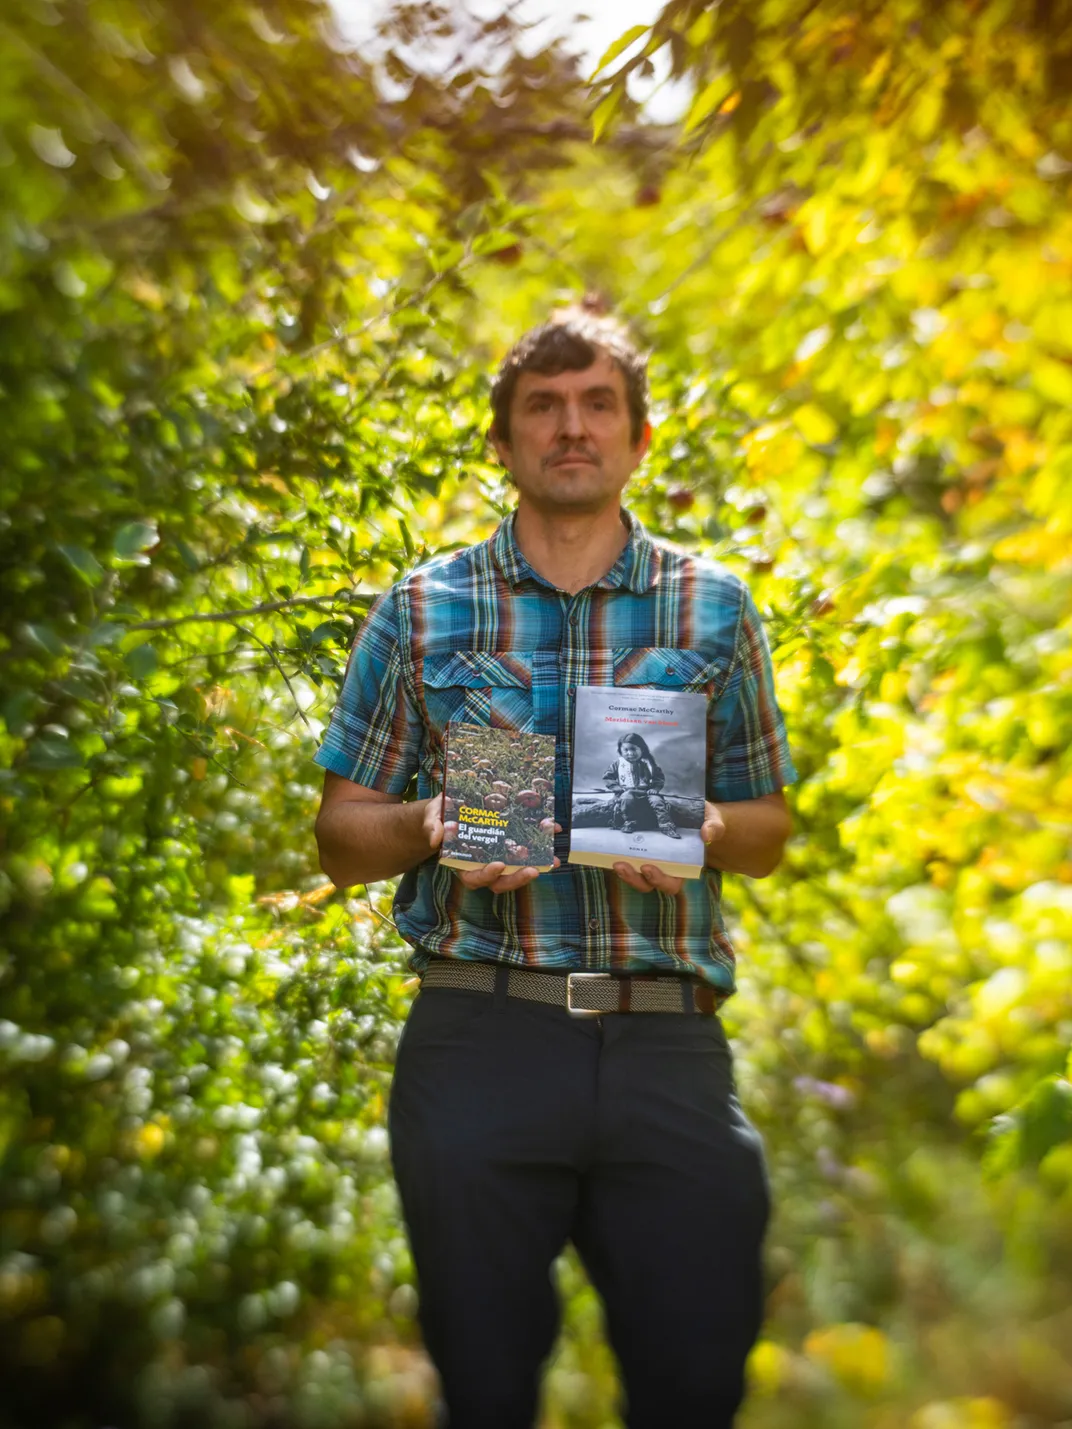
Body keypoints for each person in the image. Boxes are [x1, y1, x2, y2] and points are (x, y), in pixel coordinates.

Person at [313, 302, 797, 1429]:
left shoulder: (713, 605)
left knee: (695, 1387)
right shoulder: (423, 607)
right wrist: (437, 821)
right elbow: (339, 841)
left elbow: (769, 828)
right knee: (484, 1391)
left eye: (596, 405)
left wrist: (701, 829)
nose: (570, 427)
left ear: (638, 436)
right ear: (502, 440)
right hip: (479, 1036)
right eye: (542, 406)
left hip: (667, 1043)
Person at [603, 730, 680, 837]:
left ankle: (666, 825)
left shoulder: (648, 763)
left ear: (642, 749)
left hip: (646, 792)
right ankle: (630, 822)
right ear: (620, 750)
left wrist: (655, 789)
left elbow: (658, 777)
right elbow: (608, 778)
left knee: (657, 801)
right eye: (626, 750)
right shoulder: (618, 764)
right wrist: (617, 788)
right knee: (626, 799)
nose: (630, 753)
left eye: (633, 749)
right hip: (627, 792)